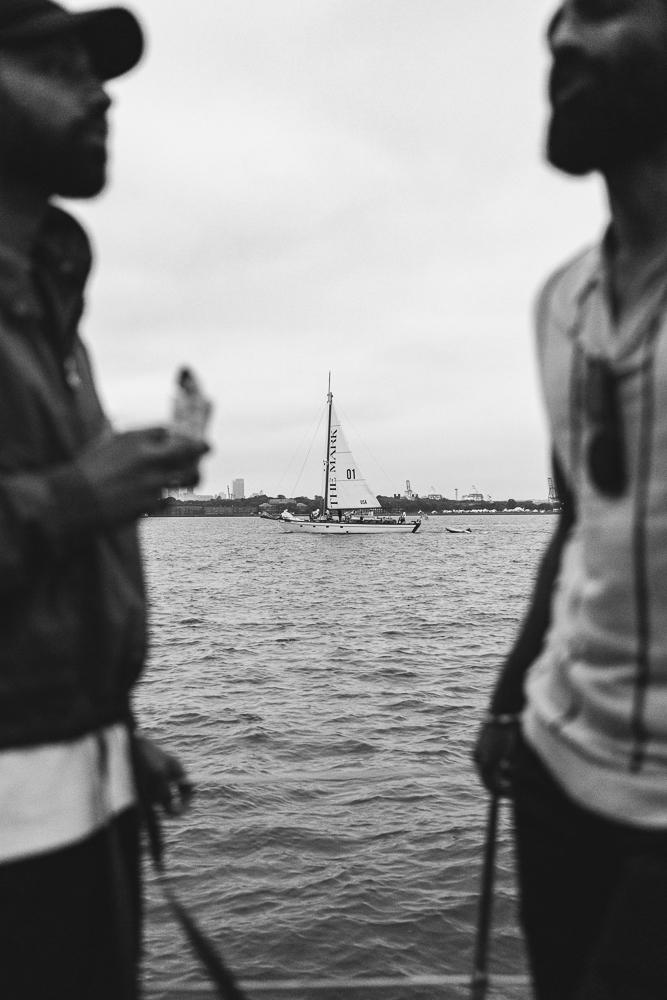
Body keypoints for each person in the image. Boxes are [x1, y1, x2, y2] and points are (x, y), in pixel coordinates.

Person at [0, 2, 208, 997]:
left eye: (100, 72)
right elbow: (54, 511)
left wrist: (116, 734)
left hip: (88, 809)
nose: (100, 95)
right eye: (57, 66)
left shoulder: (50, 303)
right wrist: (80, 495)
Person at [474, 2, 667, 998]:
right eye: (553, 19)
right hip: (555, 772)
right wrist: (508, 699)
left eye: (600, 7)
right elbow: (576, 524)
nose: (560, 38)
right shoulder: (559, 302)